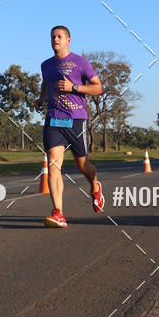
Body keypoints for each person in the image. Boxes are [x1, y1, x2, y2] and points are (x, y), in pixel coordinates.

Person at [36, 26, 105, 228]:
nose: (55, 39)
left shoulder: (80, 62)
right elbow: (46, 84)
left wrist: (74, 87)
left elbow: (98, 87)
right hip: (54, 119)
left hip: (76, 120)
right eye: (53, 37)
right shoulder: (46, 65)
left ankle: (94, 186)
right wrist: (41, 99)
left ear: (68, 40)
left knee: (82, 166)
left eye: (59, 37)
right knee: (53, 165)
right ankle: (58, 213)